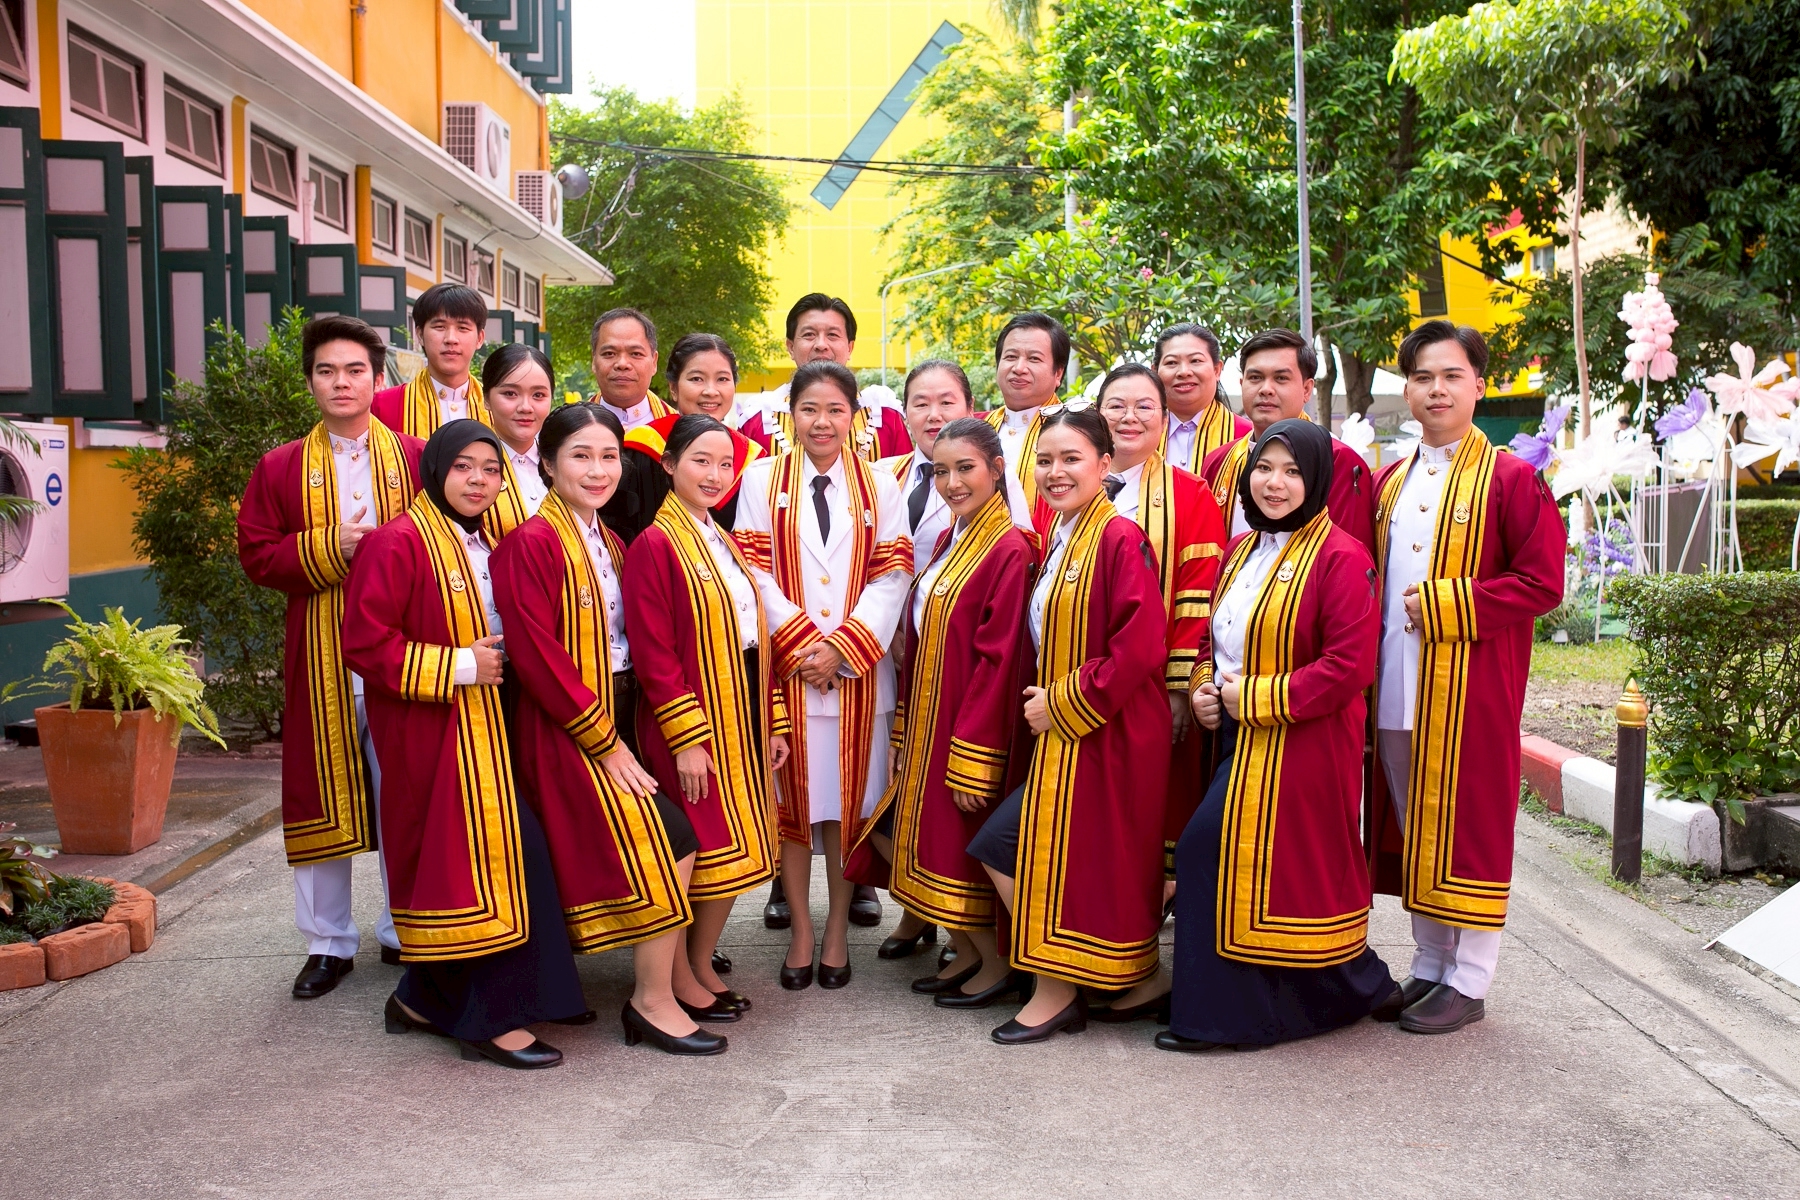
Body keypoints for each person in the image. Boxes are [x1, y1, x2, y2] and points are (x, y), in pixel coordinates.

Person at [491, 403, 733, 1056]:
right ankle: (651, 1001)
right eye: (581, 456)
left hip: (619, 718)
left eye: (608, 456)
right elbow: (537, 656)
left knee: (680, 837)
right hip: (566, 732)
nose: (598, 470)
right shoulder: (530, 543)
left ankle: (670, 983)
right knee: (668, 838)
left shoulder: (613, 542)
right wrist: (605, 744)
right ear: (547, 464)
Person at [343, 420, 587, 1069]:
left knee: (504, 862)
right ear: (436, 471)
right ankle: (488, 1020)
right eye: (463, 467)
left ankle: (421, 998)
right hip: (432, 734)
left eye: (491, 469)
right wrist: (457, 664)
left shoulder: (487, 541)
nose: (478, 480)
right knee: (478, 867)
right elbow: (364, 645)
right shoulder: (397, 542)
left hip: (490, 730)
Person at [1160, 418, 1402, 1053]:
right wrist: (1205, 688)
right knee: (1255, 869)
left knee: (1215, 853)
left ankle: (1227, 1017)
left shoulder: (1343, 558)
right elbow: (1216, 641)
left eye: (1293, 471)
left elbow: (1348, 668)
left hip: (1305, 745)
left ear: (1316, 480)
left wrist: (1252, 699)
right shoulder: (1240, 551)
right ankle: (1344, 987)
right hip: (1238, 742)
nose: (1275, 483)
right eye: (1264, 468)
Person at [1367, 321, 1565, 1034]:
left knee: (1473, 823)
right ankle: (1429, 964)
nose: (1437, 389)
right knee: (1413, 821)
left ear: (1479, 385)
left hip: (1471, 688)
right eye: (1423, 377)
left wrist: (1452, 604)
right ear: (1408, 389)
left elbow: (1542, 583)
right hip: (1395, 685)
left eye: (1452, 375)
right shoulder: (1389, 482)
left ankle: (1471, 978)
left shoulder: (1512, 479)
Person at [961, 408, 1170, 1042]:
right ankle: (1119, 977)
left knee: (1038, 852)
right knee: (1027, 852)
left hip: (1110, 729)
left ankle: (1060, 988)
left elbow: (1142, 645)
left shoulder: (1119, 537)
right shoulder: (1064, 534)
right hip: (1067, 734)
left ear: (1104, 465)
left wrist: (1064, 701)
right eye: (1045, 460)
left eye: (1071, 459)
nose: (1056, 472)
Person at [237, 315, 423, 998]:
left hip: (403, 652)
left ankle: (407, 929)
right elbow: (257, 553)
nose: (341, 382)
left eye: (354, 370)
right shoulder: (280, 466)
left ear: (377, 378)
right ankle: (327, 942)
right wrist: (327, 546)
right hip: (321, 655)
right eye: (326, 371)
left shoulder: (418, 457)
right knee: (319, 791)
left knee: (406, 790)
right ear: (311, 381)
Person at [733, 360, 913, 990]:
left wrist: (844, 646)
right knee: (793, 810)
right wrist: (807, 644)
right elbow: (752, 573)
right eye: (809, 409)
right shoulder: (760, 479)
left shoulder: (881, 485)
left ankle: (836, 929)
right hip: (792, 674)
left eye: (836, 410)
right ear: (790, 416)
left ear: (855, 417)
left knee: (846, 811)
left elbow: (894, 573)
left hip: (858, 676)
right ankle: (801, 933)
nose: (822, 422)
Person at [847, 417, 1035, 996]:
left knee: (954, 847)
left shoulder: (1009, 548)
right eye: (940, 471)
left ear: (997, 470)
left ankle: (996, 961)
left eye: (965, 469)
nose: (952, 483)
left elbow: (999, 660)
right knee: (896, 831)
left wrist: (974, 755)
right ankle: (972, 953)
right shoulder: (956, 536)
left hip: (968, 727)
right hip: (930, 718)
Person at [624, 414, 793, 1018]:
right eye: (700, 460)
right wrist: (686, 740)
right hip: (692, 719)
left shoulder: (721, 538)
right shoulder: (655, 543)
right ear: (669, 465)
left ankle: (698, 964)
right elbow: (653, 652)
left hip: (740, 709)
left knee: (737, 848)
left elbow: (755, 634)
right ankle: (674, 979)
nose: (715, 474)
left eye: (725, 463)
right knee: (697, 853)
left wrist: (773, 717)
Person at [1090, 365, 1229, 1010]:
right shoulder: (1069, 483)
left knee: (1150, 827)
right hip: (1079, 685)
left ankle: (1142, 963)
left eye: (1144, 406)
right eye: (1116, 405)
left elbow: (1200, 596)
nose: (1130, 417)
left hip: (1149, 689)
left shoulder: (1190, 493)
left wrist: (1178, 689)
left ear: (1164, 417)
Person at [1200, 328, 1374, 551]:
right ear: (1242, 383)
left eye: (1281, 378)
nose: (1266, 389)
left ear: (1307, 389)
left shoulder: (1338, 459)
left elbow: (1349, 555)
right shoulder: (1218, 461)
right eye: (1255, 378)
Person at [602, 332, 765, 544]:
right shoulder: (641, 449)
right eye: (696, 379)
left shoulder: (752, 459)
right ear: (673, 388)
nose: (711, 391)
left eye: (722, 379)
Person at [738, 294, 911, 462]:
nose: (821, 345)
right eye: (809, 334)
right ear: (791, 347)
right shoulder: (758, 420)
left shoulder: (885, 416)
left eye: (832, 335)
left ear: (850, 347)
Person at [983, 312, 1072, 526]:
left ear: (1058, 374)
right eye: (1011, 357)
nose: (1019, 368)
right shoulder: (979, 428)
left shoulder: (1076, 429)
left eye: (1034, 359)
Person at [371, 283, 489, 436]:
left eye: (463, 328)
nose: (451, 339)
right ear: (420, 335)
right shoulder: (384, 406)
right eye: (439, 327)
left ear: (479, 338)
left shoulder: (498, 406)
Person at [479, 343, 554, 538]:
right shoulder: (468, 468)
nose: (525, 407)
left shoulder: (564, 461)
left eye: (538, 395)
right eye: (510, 394)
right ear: (486, 398)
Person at [1153, 323, 1250, 473]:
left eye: (1195, 361)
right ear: (1155, 372)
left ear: (1217, 370)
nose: (1184, 372)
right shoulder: (1137, 433)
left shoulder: (1247, 436)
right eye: (1171, 362)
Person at [590, 308, 674, 429]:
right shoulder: (569, 430)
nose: (622, 364)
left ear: (654, 362)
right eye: (609, 353)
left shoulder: (678, 430)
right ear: (593, 361)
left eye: (636, 354)